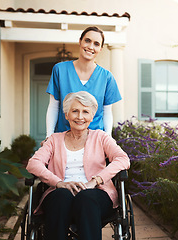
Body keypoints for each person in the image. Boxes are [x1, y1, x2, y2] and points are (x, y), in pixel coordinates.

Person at [26, 91, 130, 240]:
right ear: (67, 115)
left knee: (86, 198)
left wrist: (95, 181)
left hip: (96, 193)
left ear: (92, 116)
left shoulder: (101, 137)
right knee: (61, 197)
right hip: (59, 192)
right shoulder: (54, 140)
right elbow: (33, 164)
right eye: (75, 111)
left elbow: (123, 159)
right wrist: (58, 183)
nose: (80, 117)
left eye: (85, 112)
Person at [45, 26, 121, 140]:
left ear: (100, 48)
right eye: (87, 41)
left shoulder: (106, 77)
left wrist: (108, 137)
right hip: (64, 138)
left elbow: (107, 112)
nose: (90, 47)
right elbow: (54, 106)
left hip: (95, 140)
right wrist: (49, 135)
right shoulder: (60, 70)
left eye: (96, 44)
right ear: (80, 41)